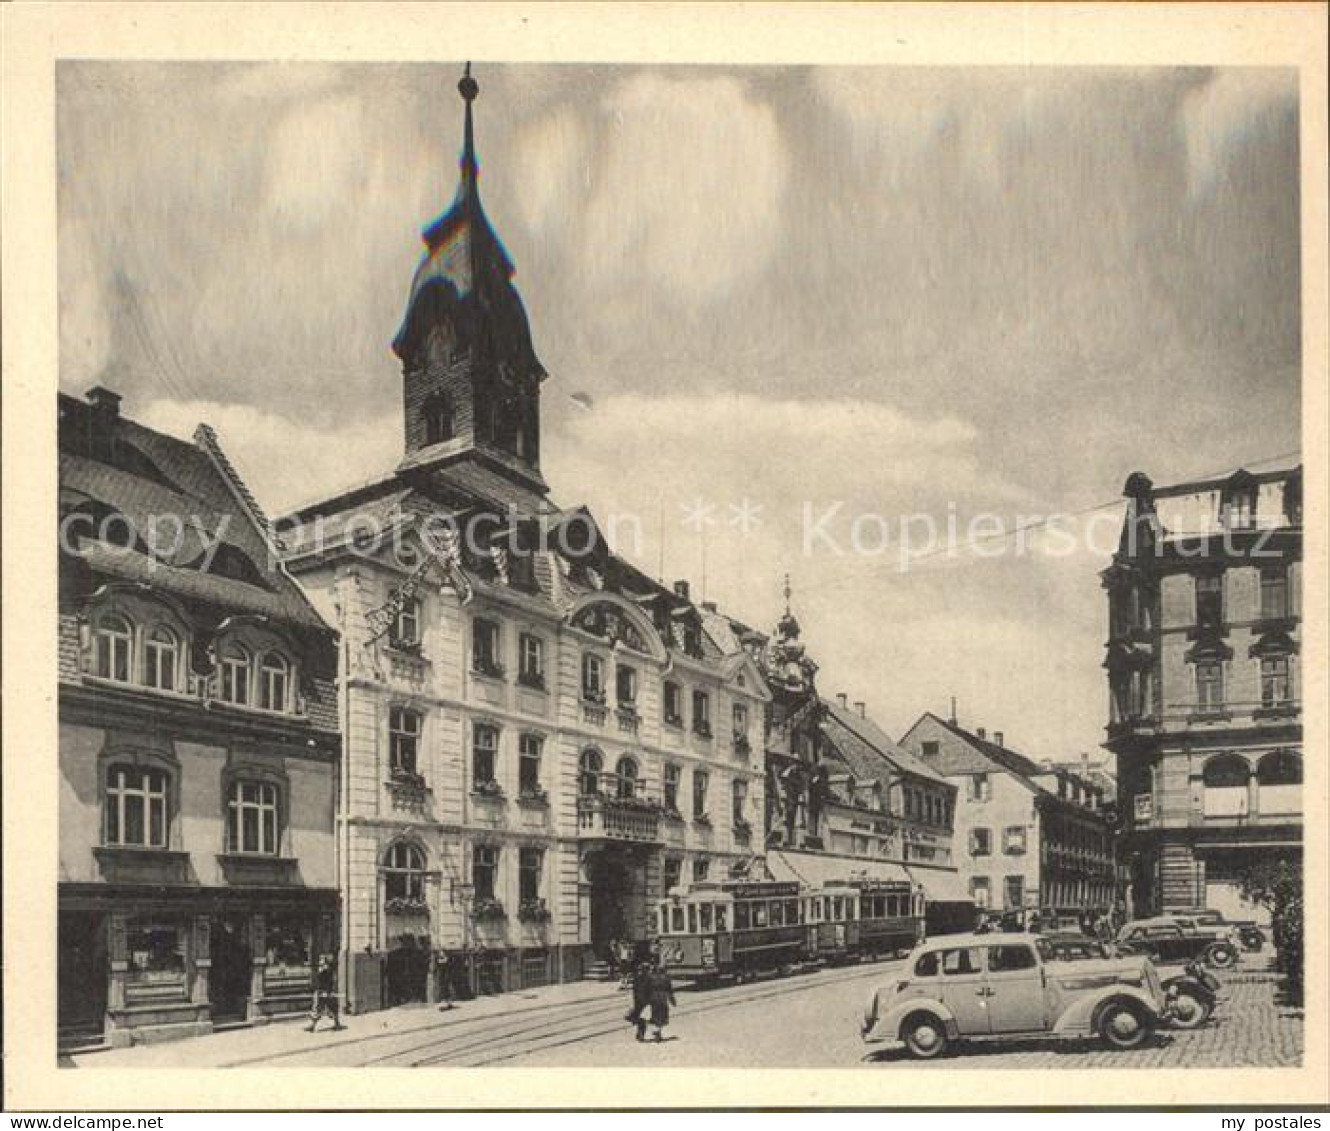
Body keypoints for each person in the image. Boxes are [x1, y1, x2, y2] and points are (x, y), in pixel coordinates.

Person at [306, 954, 344, 1032]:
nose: (320, 962)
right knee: (320, 1008)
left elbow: (329, 982)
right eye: (320, 960)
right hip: (321, 991)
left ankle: (336, 1024)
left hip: (324, 991)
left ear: (326, 962)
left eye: (322, 960)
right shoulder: (323, 970)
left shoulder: (327, 971)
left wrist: (327, 991)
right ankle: (313, 1026)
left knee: (326, 1007)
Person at [646, 960, 677, 1043]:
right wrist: (672, 1000)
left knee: (654, 1015)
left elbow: (647, 989)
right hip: (663, 998)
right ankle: (658, 1032)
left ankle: (656, 1031)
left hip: (653, 998)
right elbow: (669, 990)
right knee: (662, 1016)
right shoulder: (666, 978)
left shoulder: (651, 977)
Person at [626, 959, 653, 1041]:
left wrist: (634, 1000)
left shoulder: (637, 978)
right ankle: (640, 1034)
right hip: (645, 1001)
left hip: (638, 1001)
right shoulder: (649, 978)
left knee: (640, 1018)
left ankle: (640, 1033)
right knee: (643, 1019)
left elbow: (634, 990)